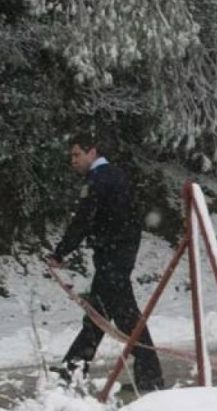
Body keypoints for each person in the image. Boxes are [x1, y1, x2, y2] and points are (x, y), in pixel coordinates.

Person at [45, 132, 164, 391]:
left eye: (77, 154)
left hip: (113, 258)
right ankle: (73, 367)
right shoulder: (113, 176)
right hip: (117, 255)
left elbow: (84, 221)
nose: (72, 160)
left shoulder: (99, 179)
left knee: (125, 317)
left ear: (92, 152)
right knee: (97, 315)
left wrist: (60, 253)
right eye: (71, 156)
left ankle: (150, 375)